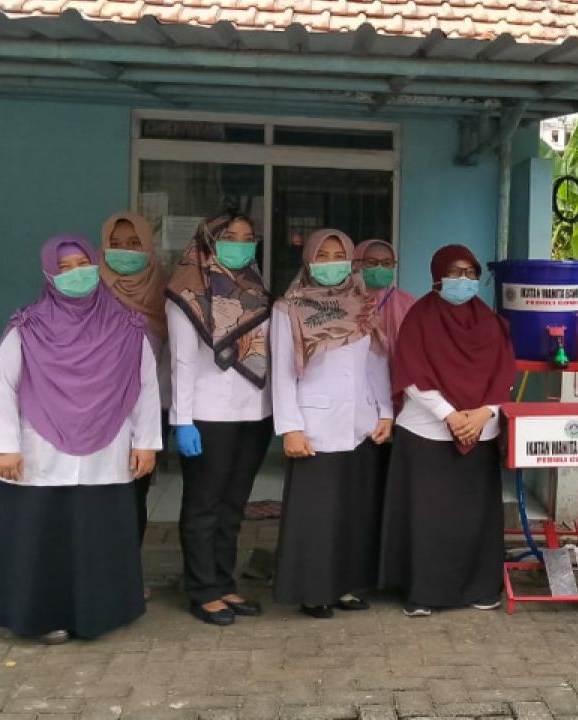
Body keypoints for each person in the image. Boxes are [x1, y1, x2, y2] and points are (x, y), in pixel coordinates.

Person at [0, 236, 160, 643]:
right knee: (42, 539)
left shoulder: (127, 327)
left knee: (96, 538)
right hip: (39, 452)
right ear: (49, 274)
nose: (76, 273)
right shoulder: (28, 327)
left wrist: (146, 441)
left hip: (107, 449)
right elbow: (3, 386)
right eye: (65, 268)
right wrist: (5, 446)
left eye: (83, 263)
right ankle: (43, 616)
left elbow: (145, 386)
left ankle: (98, 614)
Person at [379, 244, 516, 617]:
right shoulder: (419, 318)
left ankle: (479, 588)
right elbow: (411, 374)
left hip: (480, 432)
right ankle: (423, 593)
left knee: (473, 521)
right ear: (438, 275)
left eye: (471, 273)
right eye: (455, 273)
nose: (464, 280)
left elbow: (504, 375)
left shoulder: (490, 322)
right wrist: (450, 416)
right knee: (428, 522)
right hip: (427, 434)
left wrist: (485, 413)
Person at [272, 229, 394, 618]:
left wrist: (385, 412)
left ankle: (344, 586)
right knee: (317, 516)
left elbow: (375, 364)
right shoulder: (288, 307)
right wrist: (290, 427)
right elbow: (281, 374)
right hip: (314, 427)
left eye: (336, 254)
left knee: (352, 512)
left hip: (360, 424)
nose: (329, 262)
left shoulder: (362, 304)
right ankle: (313, 591)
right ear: (308, 259)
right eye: (321, 255)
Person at [166, 214, 272, 626]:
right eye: (230, 237)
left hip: (255, 414)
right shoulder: (187, 291)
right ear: (209, 241)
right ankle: (202, 589)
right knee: (204, 506)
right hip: (208, 415)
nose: (241, 245)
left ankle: (225, 582)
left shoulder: (256, 289)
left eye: (248, 238)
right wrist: (183, 420)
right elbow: (181, 361)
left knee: (233, 506)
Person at [100, 211, 169, 599]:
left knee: (133, 496)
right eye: (117, 243)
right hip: (97, 412)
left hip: (148, 410)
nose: (125, 251)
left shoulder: (163, 289)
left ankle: (126, 575)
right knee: (98, 495)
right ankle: (96, 571)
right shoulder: (90, 289)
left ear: (149, 247)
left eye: (134, 243)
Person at [354, 239, 418, 359]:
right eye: (372, 262)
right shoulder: (346, 301)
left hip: (395, 371)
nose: (380, 267)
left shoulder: (409, 303)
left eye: (387, 263)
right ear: (356, 263)